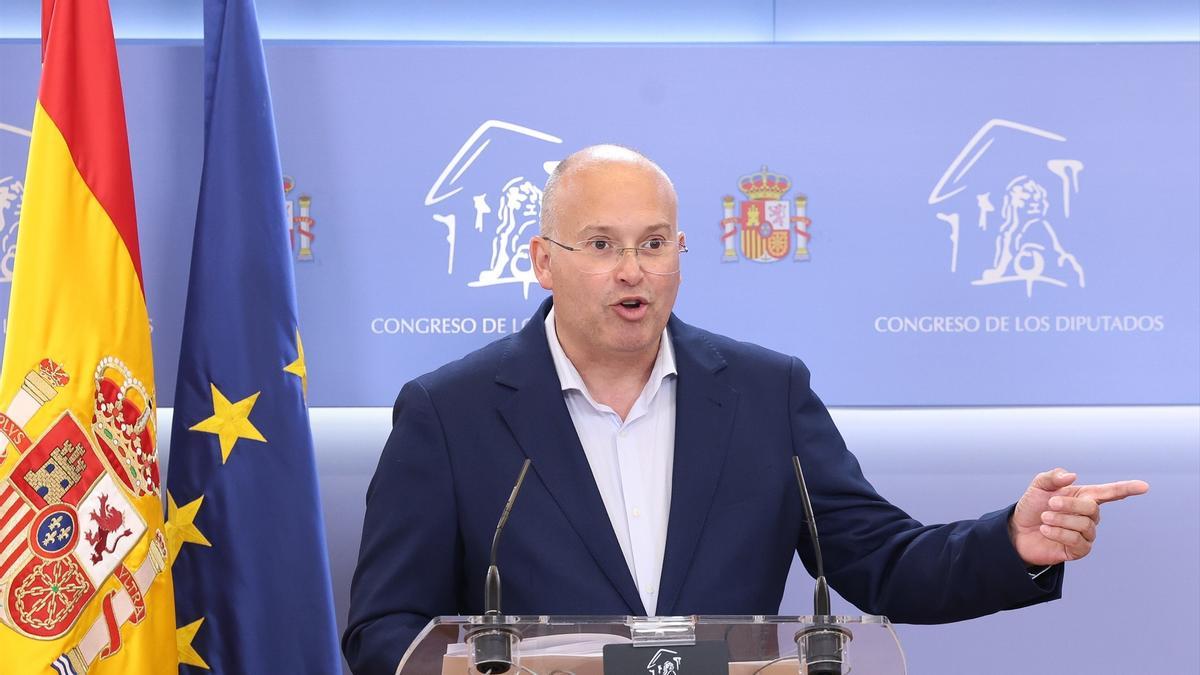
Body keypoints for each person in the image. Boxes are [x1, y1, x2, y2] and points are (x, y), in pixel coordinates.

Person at [342, 145, 1148, 675]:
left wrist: (1014, 541)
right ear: (543, 261)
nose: (634, 270)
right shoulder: (449, 413)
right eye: (603, 245)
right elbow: (382, 630)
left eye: (655, 243)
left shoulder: (767, 394)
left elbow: (882, 563)